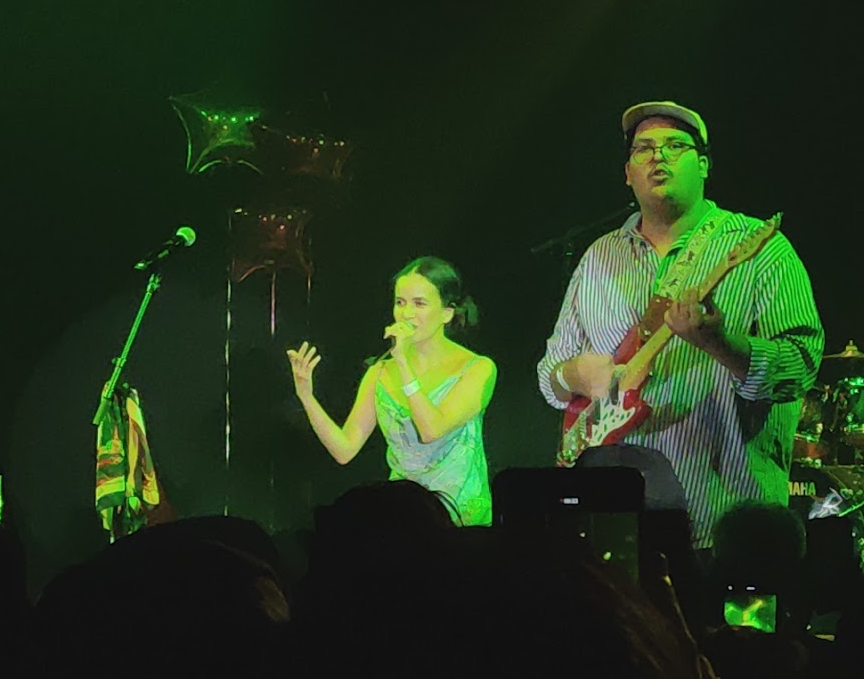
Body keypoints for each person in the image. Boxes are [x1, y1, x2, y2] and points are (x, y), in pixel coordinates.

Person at [538, 100, 823, 548]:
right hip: (613, 521)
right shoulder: (598, 256)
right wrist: (572, 375)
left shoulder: (761, 250)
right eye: (644, 149)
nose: (659, 157)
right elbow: (549, 373)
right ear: (627, 172)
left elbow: (802, 366)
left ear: (704, 164)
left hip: (722, 521)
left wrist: (721, 344)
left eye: (676, 146)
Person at [286, 257, 495, 526]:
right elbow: (344, 449)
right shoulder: (380, 373)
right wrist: (306, 396)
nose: (407, 313)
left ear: (446, 313)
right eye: (400, 302)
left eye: (419, 303)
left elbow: (431, 429)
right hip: (403, 516)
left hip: (461, 520)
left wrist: (404, 365)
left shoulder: (477, 369)